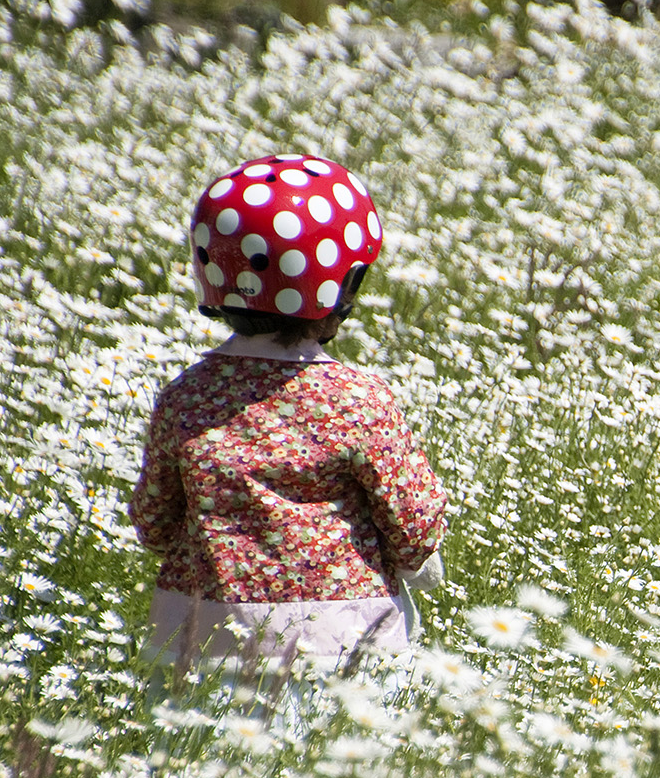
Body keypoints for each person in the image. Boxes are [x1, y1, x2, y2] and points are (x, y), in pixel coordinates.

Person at [129, 152, 447, 712]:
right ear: (340, 290)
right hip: (340, 649)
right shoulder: (360, 401)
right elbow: (415, 531)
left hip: (199, 645)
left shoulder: (186, 398)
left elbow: (154, 528)